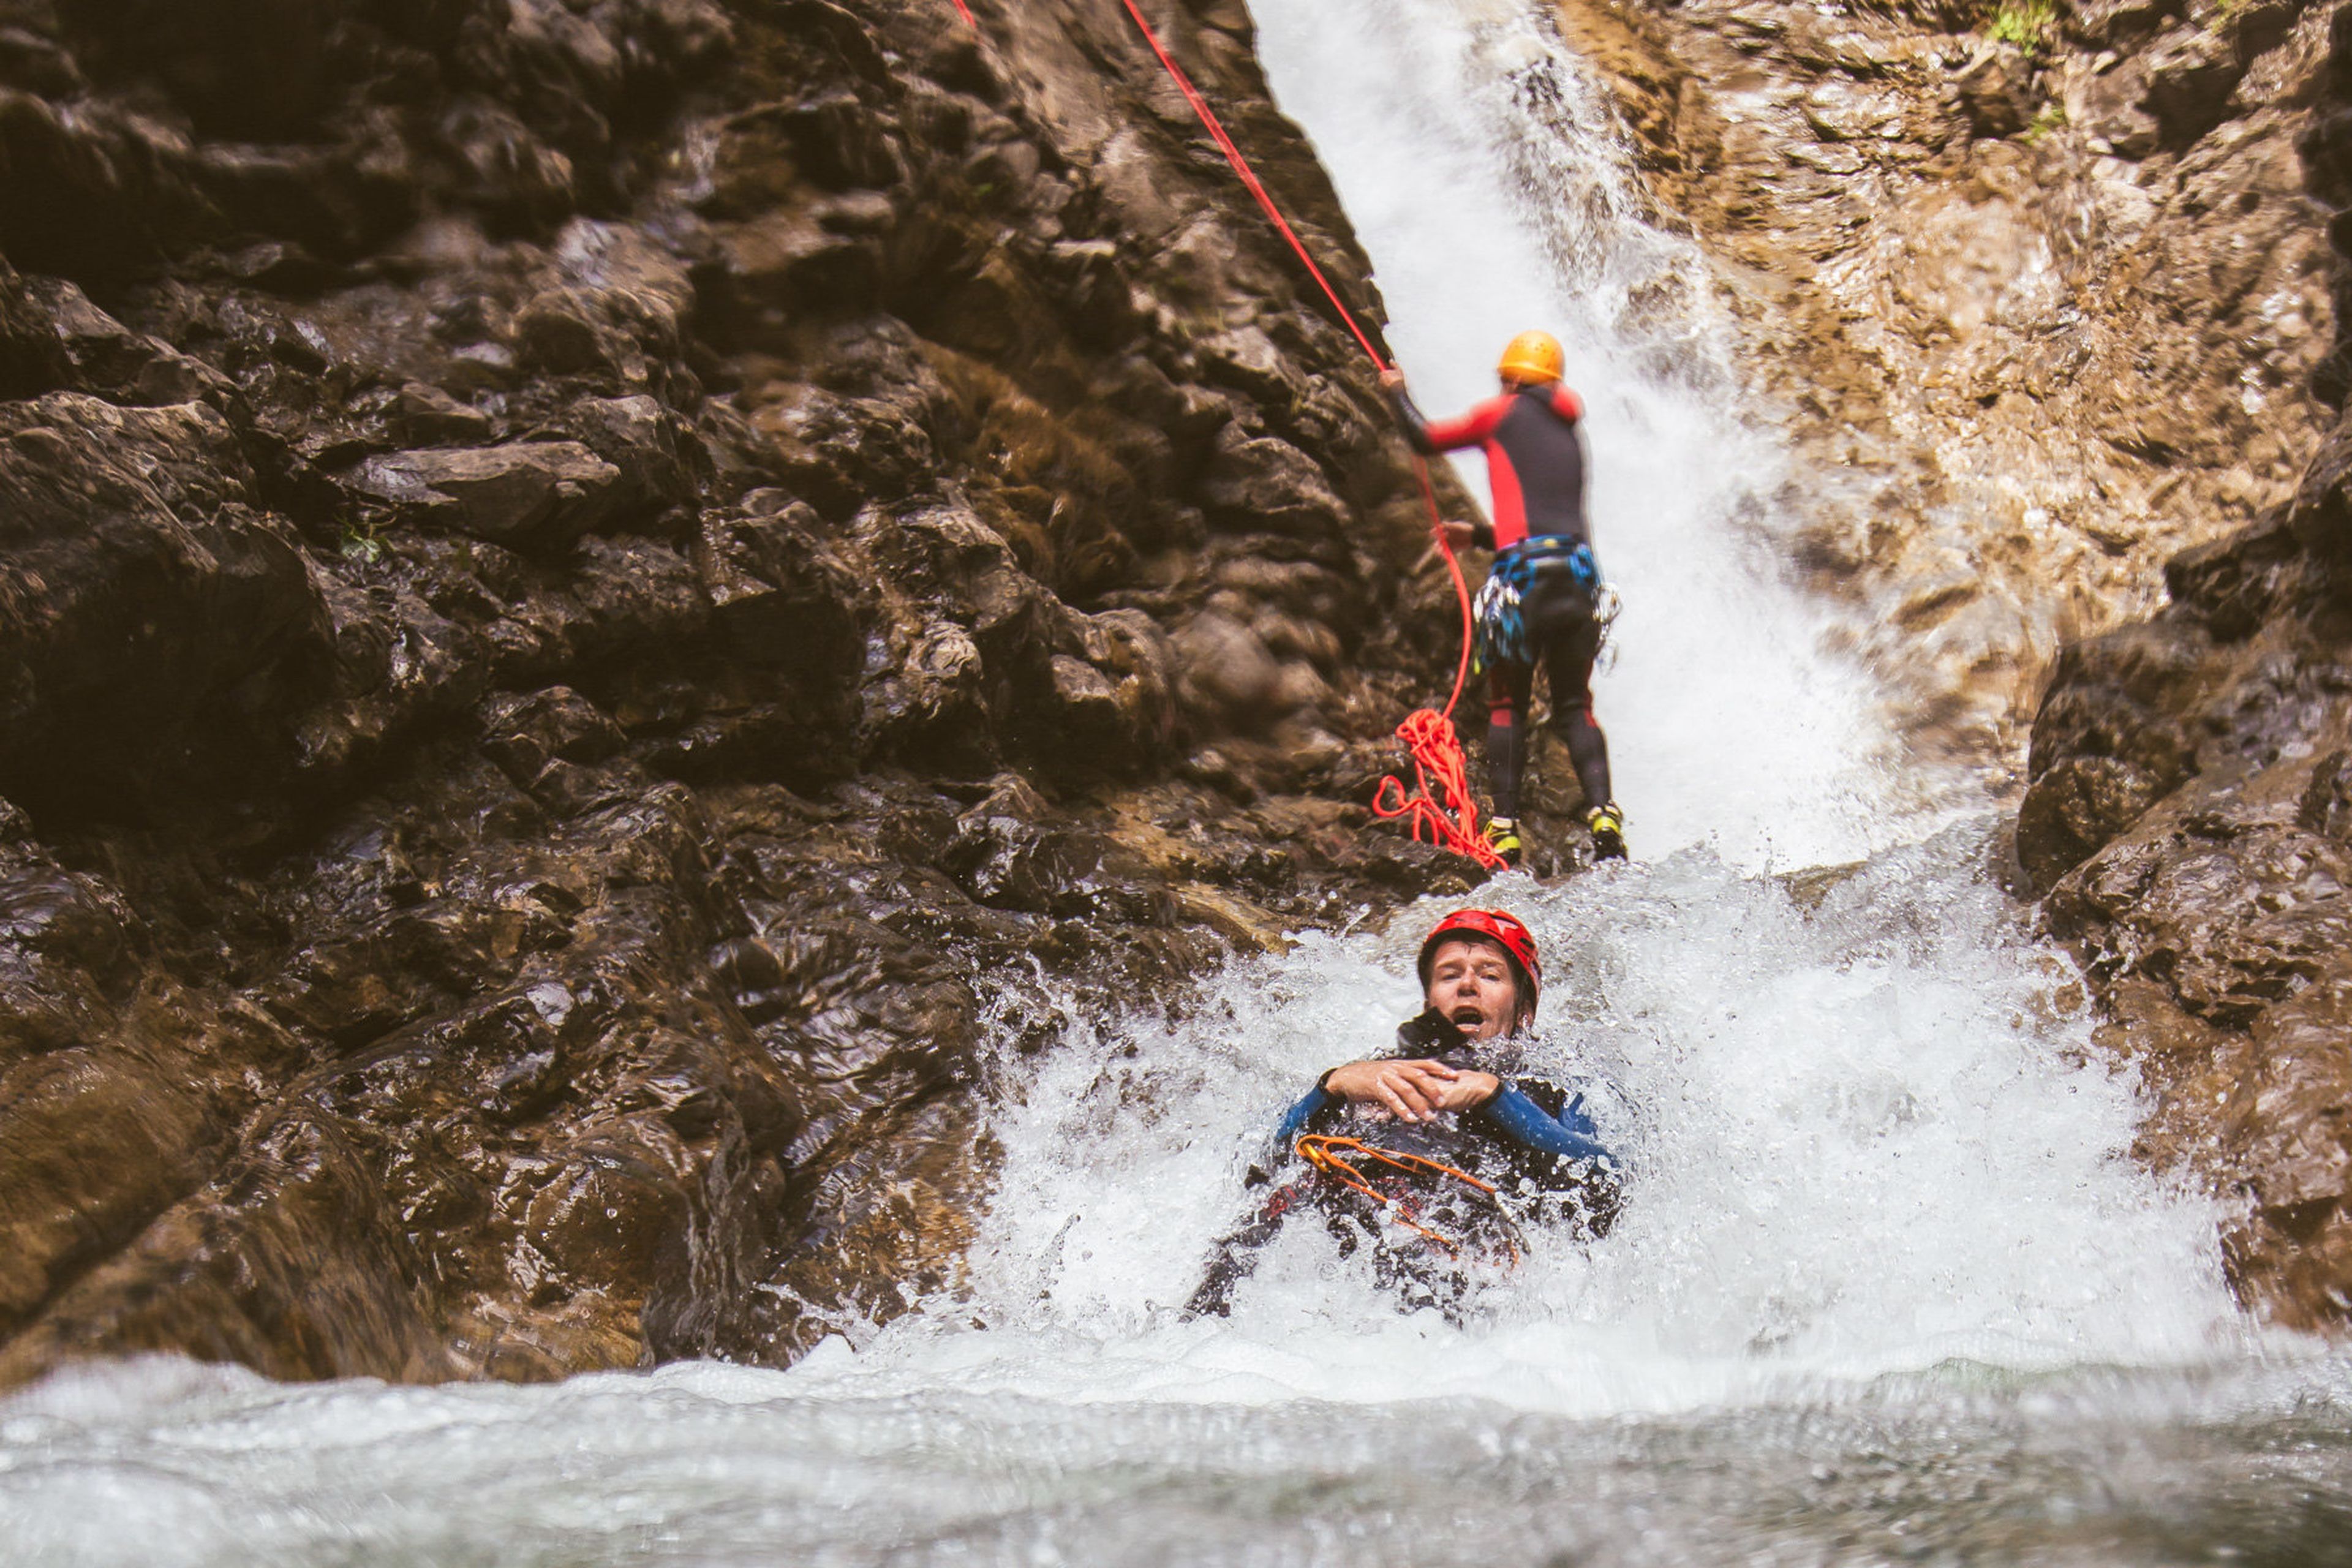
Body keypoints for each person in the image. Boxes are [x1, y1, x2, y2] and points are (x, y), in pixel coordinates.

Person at [1186, 908, 1622, 1319]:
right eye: (1449, 975)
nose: (1467, 985)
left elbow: (1608, 1176)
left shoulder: (1548, 1085)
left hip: (1452, 1244)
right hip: (1325, 1218)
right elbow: (1256, 1158)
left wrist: (1496, 1098)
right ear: (1431, 1002)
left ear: (1524, 1009)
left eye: (1490, 975)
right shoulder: (1369, 1073)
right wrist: (1330, 1087)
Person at [1382, 331, 1626, 864]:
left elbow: (1425, 438)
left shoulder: (1501, 413)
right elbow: (1549, 519)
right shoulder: (1569, 430)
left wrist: (1396, 392)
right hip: (1579, 578)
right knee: (1575, 706)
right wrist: (1482, 535)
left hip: (1524, 584)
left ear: (1512, 376)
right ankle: (1604, 813)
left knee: (1506, 705)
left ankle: (1505, 826)